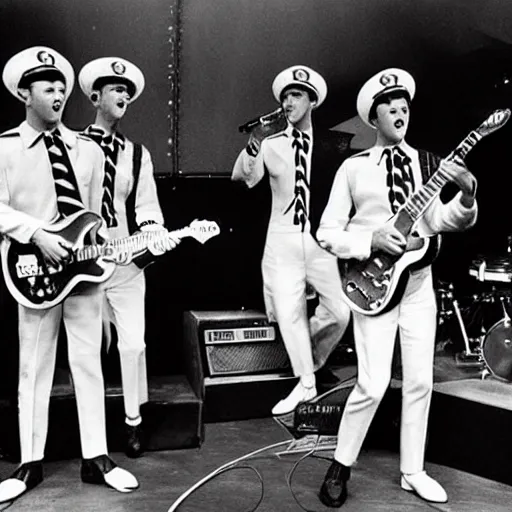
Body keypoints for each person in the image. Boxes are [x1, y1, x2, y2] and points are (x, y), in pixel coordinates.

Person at [316, 68, 478, 507]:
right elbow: (327, 232)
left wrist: (465, 196)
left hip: (419, 285)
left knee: (421, 381)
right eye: (390, 105)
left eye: (404, 104)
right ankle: (340, 464)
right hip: (373, 285)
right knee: (372, 382)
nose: (400, 110)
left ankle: (413, 470)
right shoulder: (352, 169)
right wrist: (370, 239)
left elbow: (442, 222)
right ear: (373, 117)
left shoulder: (429, 164)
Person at [0, 47, 139, 503]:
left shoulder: (90, 150)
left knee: (89, 362)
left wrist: (108, 250)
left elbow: (95, 215)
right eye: (47, 87)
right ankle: (29, 463)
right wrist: (36, 233)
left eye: (62, 87)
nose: (58, 94)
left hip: (84, 274)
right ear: (25, 93)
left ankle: (97, 457)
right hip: (35, 272)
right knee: (33, 368)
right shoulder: (5, 149)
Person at [232, 65, 351, 415]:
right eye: (285, 95)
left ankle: (308, 360)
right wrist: (253, 144)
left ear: (312, 101)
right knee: (289, 314)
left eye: (296, 95)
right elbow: (243, 180)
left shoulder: (333, 144)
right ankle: (306, 383)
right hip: (282, 238)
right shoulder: (270, 145)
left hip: (320, 239)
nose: (288, 101)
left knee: (340, 312)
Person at [78, 57, 179, 458]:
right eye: (115, 89)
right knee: (86, 349)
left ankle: (132, 421)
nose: (123, 96)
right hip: (82, 261)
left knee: (133, 345)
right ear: (94, 96)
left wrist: (153, 237)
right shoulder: (72, 145)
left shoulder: (137, 154)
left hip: (125, 260)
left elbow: (148, 209)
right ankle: (91, 436)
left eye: (127, 91)